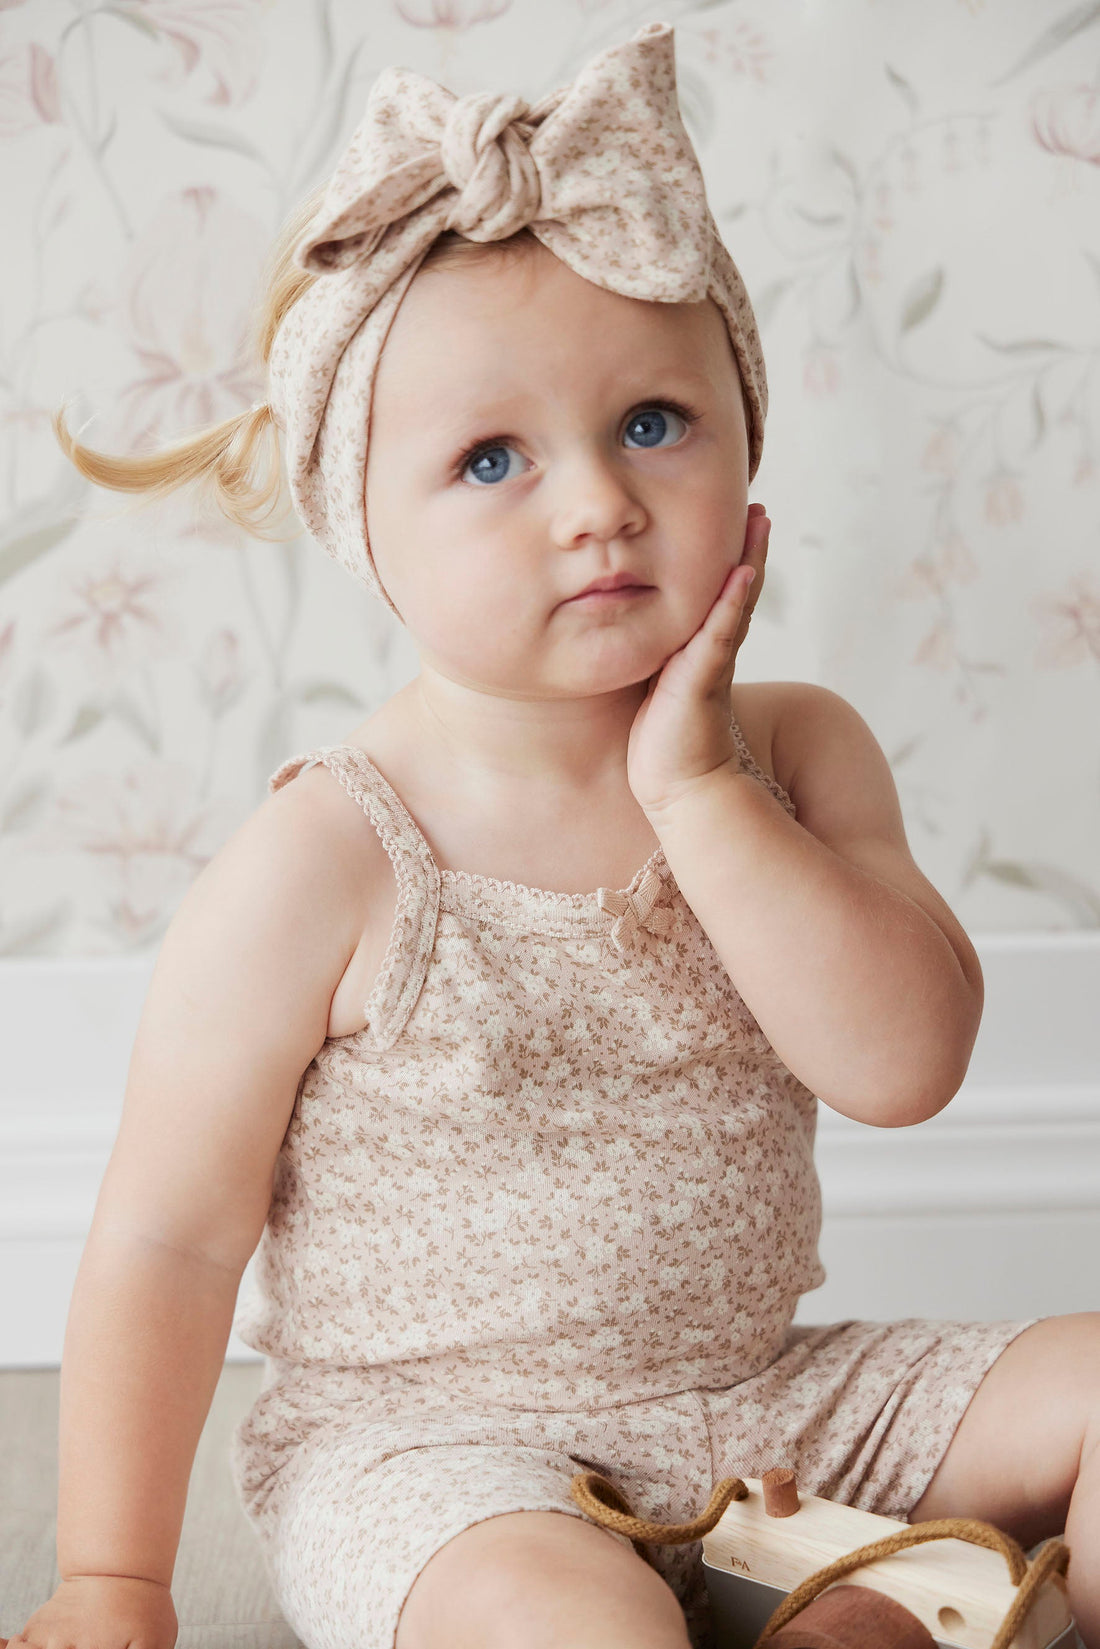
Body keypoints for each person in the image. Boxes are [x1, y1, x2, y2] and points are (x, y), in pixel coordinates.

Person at [7, 21, 1096, 1649]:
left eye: (653, 421)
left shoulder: (799, 753)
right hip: (437, 1456)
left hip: (767, 1401)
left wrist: (703, 792)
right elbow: (169, 1235)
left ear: (746, 434)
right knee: (574, 1625)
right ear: (360, 523)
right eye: (491, 459)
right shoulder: (330, 854)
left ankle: (901, 1602)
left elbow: (904, 1063)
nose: (596, 502)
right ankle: (849, 1601)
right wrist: (113, 1576)